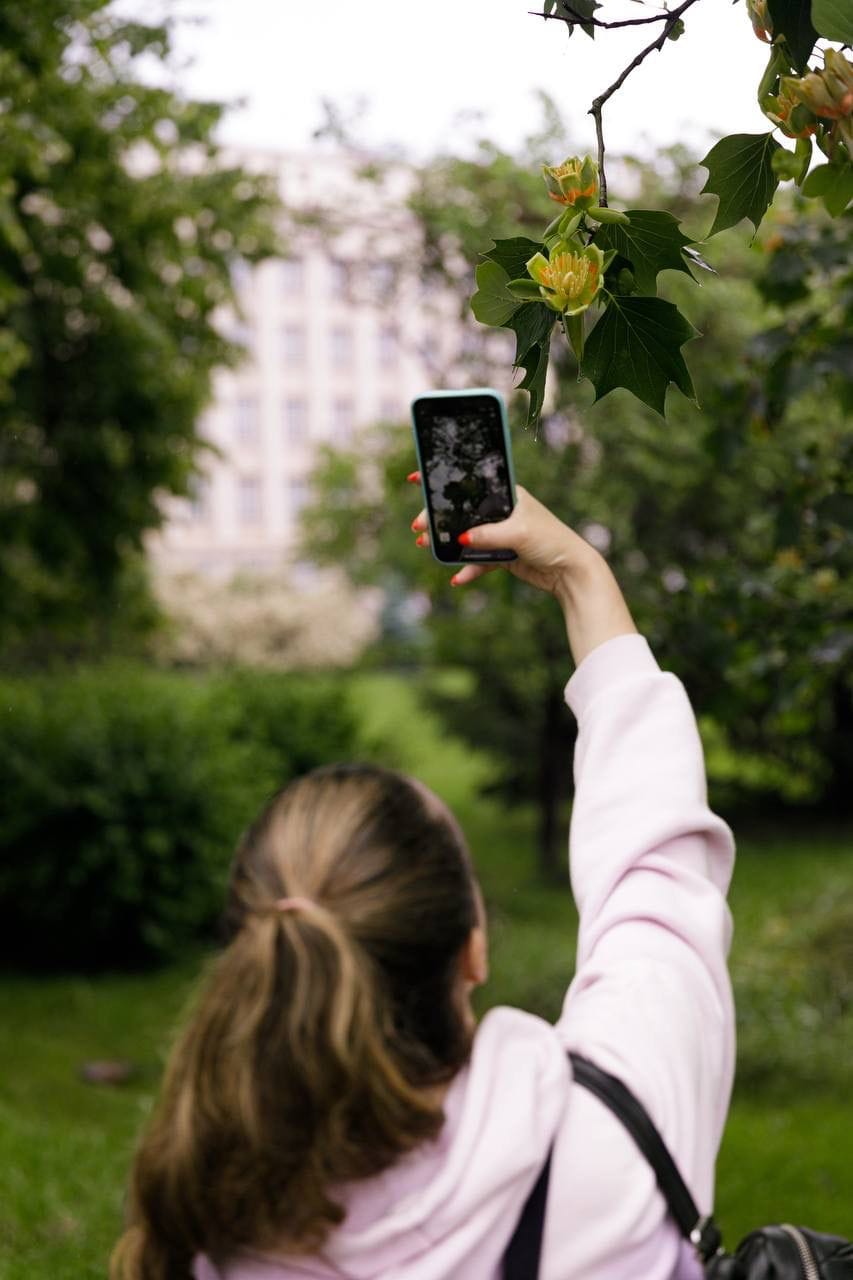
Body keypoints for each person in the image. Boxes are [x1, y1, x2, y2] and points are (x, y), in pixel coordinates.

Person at [111, 485, 735, 1280]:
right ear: (472, 951)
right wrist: (581, 574)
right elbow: (655, 867)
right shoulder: (611, 1139)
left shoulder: (209, 1232)